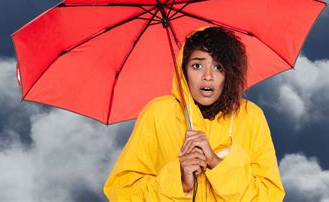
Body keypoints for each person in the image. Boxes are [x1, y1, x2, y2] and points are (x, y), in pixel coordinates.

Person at [103, 26, 285, 201]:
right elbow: (122, 192)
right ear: (184, 70)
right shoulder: (158, 114)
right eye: (197, 66)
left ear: (230, 73)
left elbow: (270, 196)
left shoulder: (250, 116)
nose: (208, 76)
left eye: (219, 67)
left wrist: (215, 162)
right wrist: (180, 179)